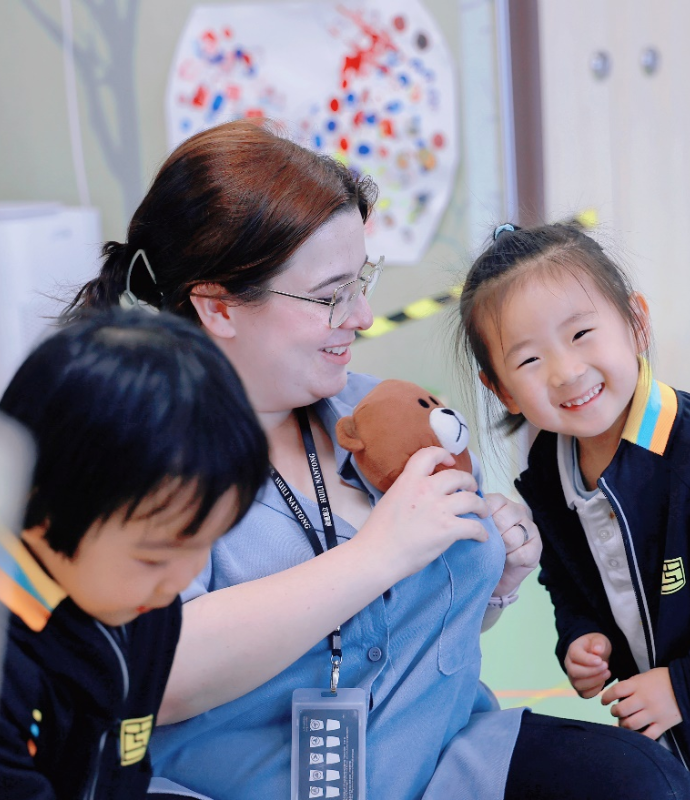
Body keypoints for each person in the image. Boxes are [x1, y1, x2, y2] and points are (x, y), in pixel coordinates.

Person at [65, 120, 683, 800]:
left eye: (361, 280)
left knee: (637, 778)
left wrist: (498, 581)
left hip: (446, 760)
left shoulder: (389, 417)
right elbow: (159, 670)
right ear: (219, 307)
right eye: (331, 296)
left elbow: (429, 622)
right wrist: (377, 554)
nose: (362, 315)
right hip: (252, 788)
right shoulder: (138, 454)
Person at [458, 221, 690, 787]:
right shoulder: (545, 477)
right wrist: (581, 637)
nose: (566, 372)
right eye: (530, 361)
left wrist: (682, 688)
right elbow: (566, 583)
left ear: (635, 323)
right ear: (502, 390)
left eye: (582, 334)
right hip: (664, 741)